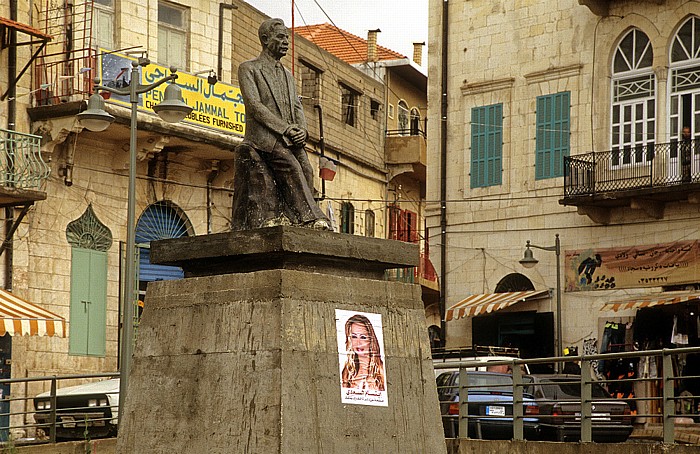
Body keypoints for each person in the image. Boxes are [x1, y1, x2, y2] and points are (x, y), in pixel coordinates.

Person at [233, 18, 331, 230]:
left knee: (307, 170)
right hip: (263, 137)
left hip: (289, 137)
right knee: (292, 167)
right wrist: (284, 128)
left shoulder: (288, 75)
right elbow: (255, 106)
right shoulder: (249, 69)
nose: (286, 41)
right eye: (280, 37)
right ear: (265, 39)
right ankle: (312, 218)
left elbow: (296, 107)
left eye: (287, 37)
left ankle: (290, 219)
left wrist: (302, 131)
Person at [341, 314, 386, 391]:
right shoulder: (347, 371)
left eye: (363, 337)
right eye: (354, 336)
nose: (358, 343)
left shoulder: (382, 370)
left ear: (371, 339)